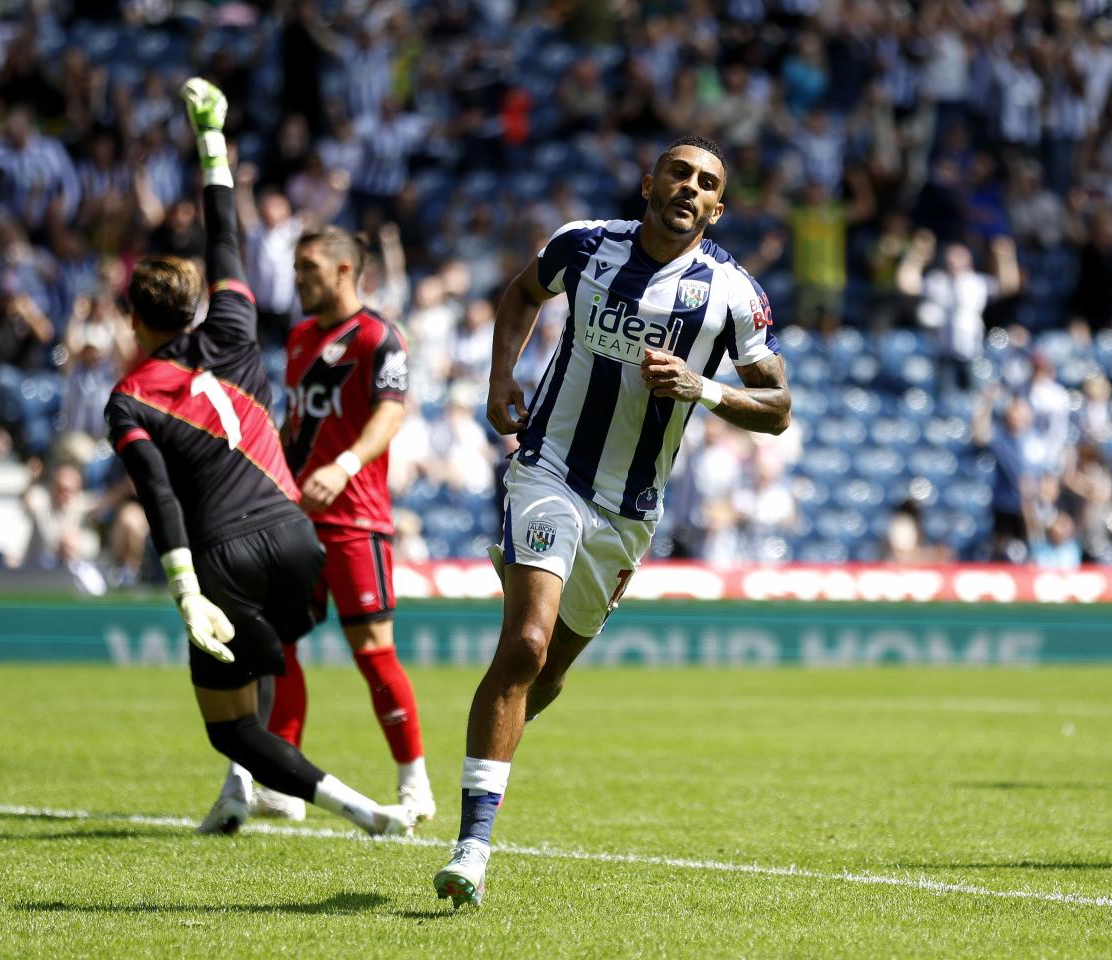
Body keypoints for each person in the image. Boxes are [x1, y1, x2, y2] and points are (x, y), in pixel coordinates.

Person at [432, 136, 791, 907]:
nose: (689, 187)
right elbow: (522, 294)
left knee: (547, 673)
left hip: (629, 511)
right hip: (549, 469)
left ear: (717, 208)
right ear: (649, 182)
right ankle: (473, 844)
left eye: (707, 183)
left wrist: (703, 387)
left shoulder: (732, 294)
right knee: (524, 644)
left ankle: (493, 735)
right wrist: (502, 379)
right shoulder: (584, 246)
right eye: (678, 172)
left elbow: (780, 408)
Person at [103, 78, 412, 838]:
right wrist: (213, 142)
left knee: (230, 722)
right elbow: (225, 240)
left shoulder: (130, 397)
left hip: (224, 558)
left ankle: (360, 809)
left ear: (134, 317)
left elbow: (159, 500)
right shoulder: (237, 325)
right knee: (269, 660)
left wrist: (183, 589)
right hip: (297, 539)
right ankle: (243, 791)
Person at [236, 223, 433, 826]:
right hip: (297, 519)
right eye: (297, 270)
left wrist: (345, 465)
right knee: (278, 645)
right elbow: (297, 424)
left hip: (356, 521)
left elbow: (391, 415)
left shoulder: (379, 337)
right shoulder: (297, 338)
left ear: (345, 270)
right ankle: (283, 784)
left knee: (372, 652)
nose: (298, 281)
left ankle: (414, 783)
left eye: (310, 269)